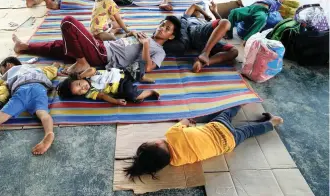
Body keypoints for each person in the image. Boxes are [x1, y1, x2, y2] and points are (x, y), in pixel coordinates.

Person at [123, 106, 284, 180]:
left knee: (248, 131)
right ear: (157, 143)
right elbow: (186, 121)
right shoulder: (172, 134)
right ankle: (239, 102)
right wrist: (185, 121)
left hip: (227, 143)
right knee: (226, 113)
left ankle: (272, 123)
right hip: (218, 127)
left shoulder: (177, 162)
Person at [12, 15, 181, 74]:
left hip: (102, 55)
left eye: (166, 29)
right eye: (162, 24)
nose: (161, 29)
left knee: (68, 23)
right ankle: (24, 47)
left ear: (171, 37)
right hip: (102, 46)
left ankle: (82, 62)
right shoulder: (145, 36)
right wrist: (131, 34)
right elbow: (123, 42)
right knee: (60, 45)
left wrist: (144, 45)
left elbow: (149, 68)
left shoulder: (160, 51)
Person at [163, 2, 239, 73]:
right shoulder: (187, 18)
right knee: (225, 22)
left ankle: (202, 62)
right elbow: (194, 6)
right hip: (195, 31)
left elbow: (223, 28)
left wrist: (214, 12)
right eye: (197, 12)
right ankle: (206, 52)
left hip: (208, 41)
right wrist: (206, 14)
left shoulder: (206, 23)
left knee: (234, 52)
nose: (198, 13)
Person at [57, 67, 160, 105]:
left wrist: (81, 75)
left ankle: (142, 78)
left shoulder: (87, 75)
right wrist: (116, 101)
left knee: (139, 67)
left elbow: (92, 70)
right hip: (121, 85)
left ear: (78, 79)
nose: (83, 88)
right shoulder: (90, 93)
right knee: (132, 95)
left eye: (79, 84)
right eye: (80, 91)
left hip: (121, 72)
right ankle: (151, 92)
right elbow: (102, 96)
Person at [227, 0, 294, 42]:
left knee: (261, 19)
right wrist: (241, 4)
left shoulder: (275, 2)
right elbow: (245, 13)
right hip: (250, 8)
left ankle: (247, 39)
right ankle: (229, 34)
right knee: (234, 12)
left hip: (262, 10)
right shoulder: (258, 1)